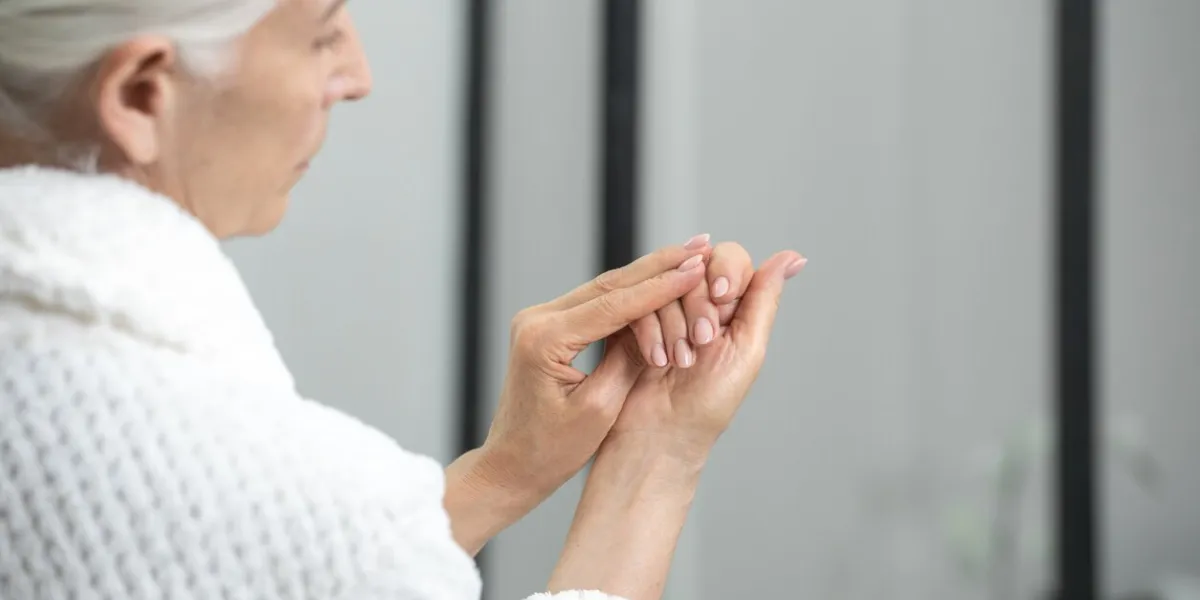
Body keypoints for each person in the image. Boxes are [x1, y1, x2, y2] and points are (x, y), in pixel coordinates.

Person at [0, 1, 806, 599]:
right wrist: (658, 455)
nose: (357, 76)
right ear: (142, 95)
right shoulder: (248, 481)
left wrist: (504, 473)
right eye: (321, 33)